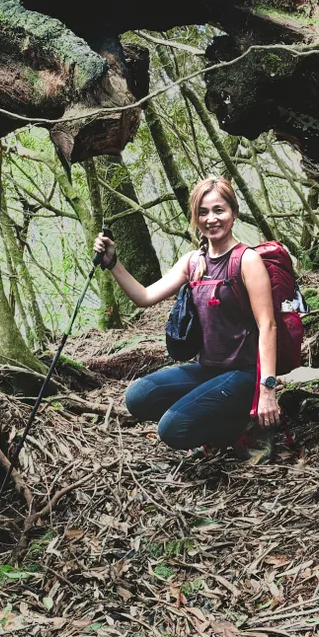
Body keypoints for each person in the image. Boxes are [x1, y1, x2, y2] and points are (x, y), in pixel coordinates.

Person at [93, 176, 279, 458]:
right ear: (195, 217)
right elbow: (144, 297)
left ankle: (241, 427)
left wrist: (268, 389)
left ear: (234, 213)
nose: (211, 219)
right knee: (138, 397)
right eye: (203, 212)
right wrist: (113, 263)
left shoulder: (246, 260)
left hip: (246, 373)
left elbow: (268, 325)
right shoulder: (193, 262)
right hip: (207, 370)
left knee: (172, 429)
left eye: (219, 210)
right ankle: (216, 417)